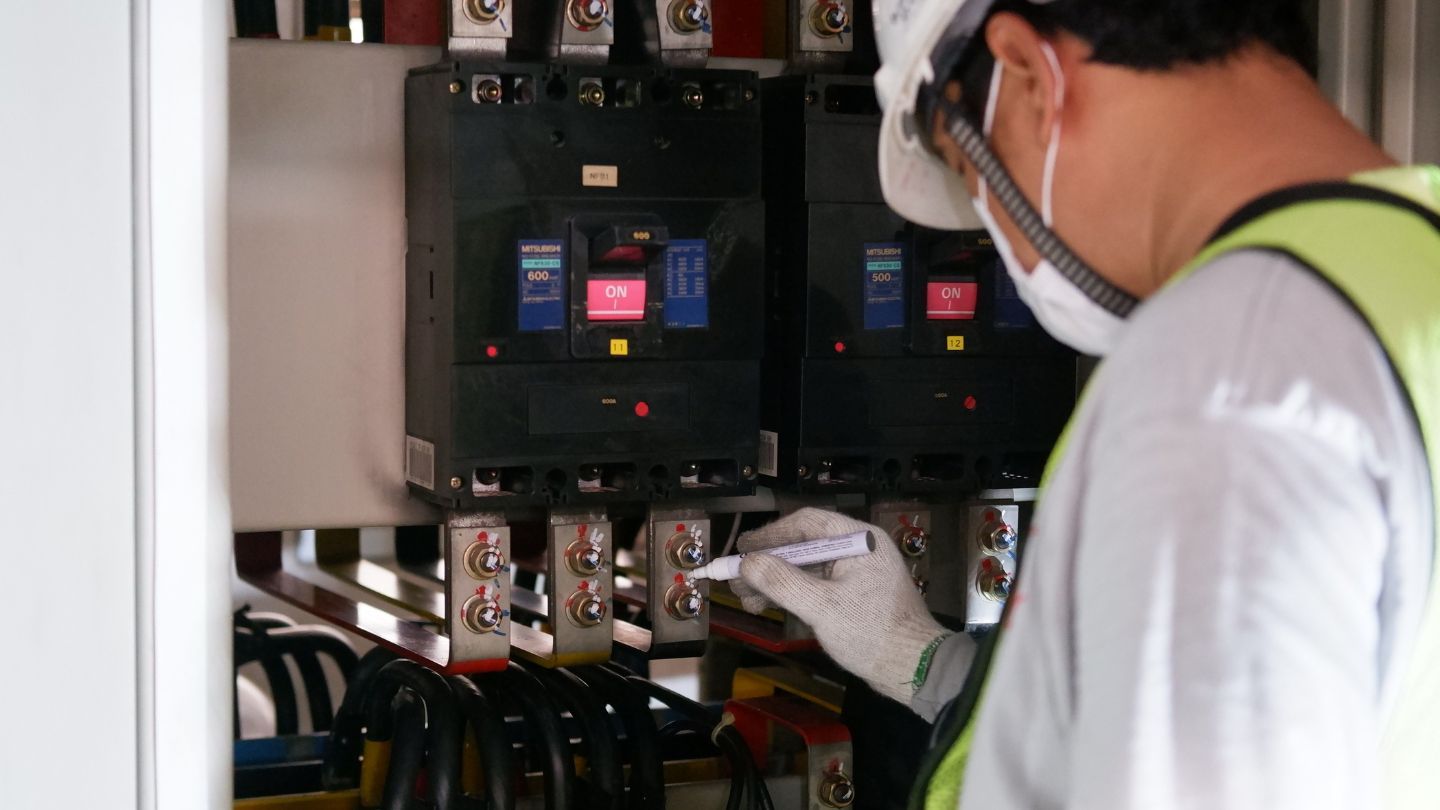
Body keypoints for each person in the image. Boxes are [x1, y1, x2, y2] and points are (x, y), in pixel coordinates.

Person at [731, 1, 1440, 808]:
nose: (999, 245)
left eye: (972, 179)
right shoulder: (1406, 273)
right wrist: (921, 659)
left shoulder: (1221, 380)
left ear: (1029, 76)